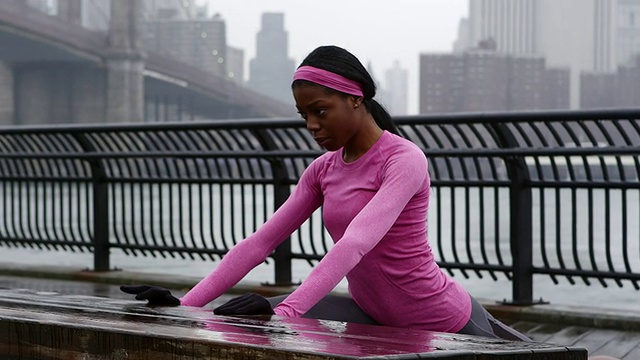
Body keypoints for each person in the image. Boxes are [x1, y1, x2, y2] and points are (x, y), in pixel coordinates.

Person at [121, 45, 529, 341]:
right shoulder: (323, 169)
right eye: (304, 116)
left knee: (279, 311)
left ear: (355, 98)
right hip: (371, 314)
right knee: (247, 320)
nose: (312, 125)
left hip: (441, 319)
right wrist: (185, 304)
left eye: (320, 111)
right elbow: (261, 242)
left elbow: (356, 243)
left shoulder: (404, 159)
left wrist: (286, 311)